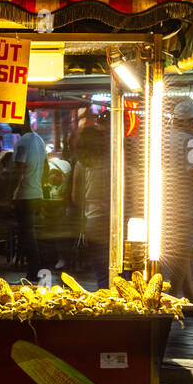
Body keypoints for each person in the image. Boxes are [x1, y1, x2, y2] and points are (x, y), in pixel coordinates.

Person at [160, 99, 193, 310]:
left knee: (176, 252)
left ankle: (190, 299)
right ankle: (173, 299)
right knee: (184, 254)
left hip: (163, 204)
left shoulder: (161, 140)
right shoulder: (190, 142)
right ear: (188, 122)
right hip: (185, 205)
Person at [69, 114, 110, 287]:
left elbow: (75, 197)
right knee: (118, 270)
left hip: (93, 221)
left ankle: (108, 306)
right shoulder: (112, 161)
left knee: (101, 272)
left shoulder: (81, 164)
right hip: (114, 220)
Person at [8, 112, 46, 281]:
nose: (9, 125)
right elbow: (46, 168)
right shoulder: (39, 140)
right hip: (37, 194)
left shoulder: (22, 143)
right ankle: (34, 270)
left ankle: (33, 273)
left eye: (11, 121)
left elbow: (18, 171)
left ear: (21, 121)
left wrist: (9, 195)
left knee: (26, 235)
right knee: (30, 234)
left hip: (24, 196)